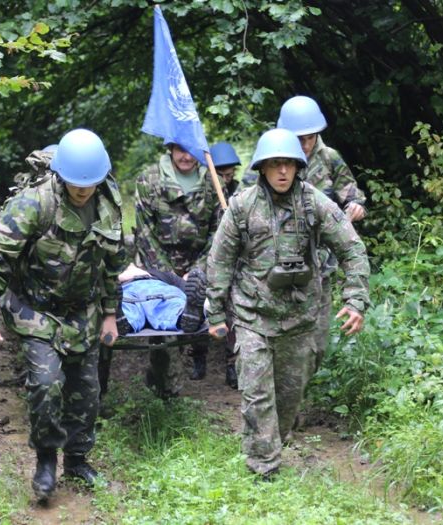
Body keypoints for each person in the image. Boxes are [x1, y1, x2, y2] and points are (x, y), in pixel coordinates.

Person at [0, 129, 125, 500]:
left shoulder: (107, 203)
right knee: (46, 384)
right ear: (61, 174)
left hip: (83, 311)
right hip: (35, 310)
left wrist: (110, 313)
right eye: (75, 183)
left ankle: (77, 460)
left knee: (86, 391)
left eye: (89, 183)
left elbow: (111, 263)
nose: (82, 190)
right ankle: (45, 459)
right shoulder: (33, 203)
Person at [206, 128, 370, 479]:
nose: (282, 171)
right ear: (262, 167)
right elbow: (220, 261)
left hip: (300, 318)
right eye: (275, 163)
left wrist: (356, 299)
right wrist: (216, 312)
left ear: (298, 167)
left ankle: (272, 444)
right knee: (257, 394)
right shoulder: (242, 206)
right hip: (252, 316)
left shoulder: (314, 203)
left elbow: (352, 249)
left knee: (288, 399)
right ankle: (263, 468)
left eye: (289, 164)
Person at [277, 95, 367, 370]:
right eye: (298, 139)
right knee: (280, 337)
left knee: (316, 344)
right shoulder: (273, 157)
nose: (305, 145)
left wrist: (355, 207)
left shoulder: (329, 158)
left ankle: (301, 385)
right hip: (277, 263)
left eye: (309, 138)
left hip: (319, 264)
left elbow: (352, 194)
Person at [134, 141, 219, 395]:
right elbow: (144, 232)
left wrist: (197, 270)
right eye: (180, 149)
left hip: (200, 266)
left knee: (196, 320)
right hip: (160, 266)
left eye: (191, 150)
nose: (186, 156)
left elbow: (219, 233)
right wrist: (168, 275)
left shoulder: (213, 181)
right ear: (170, 148)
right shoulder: (149, 179)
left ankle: (198, 363)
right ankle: (166, 389)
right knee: (164, 329)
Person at [209, 141, 242, 389]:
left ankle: (232, 364)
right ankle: (197, 356)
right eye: (221, 174)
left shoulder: (240, 193)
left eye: (229, 175)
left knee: (233, 315)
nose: (226, 179)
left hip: (236, 263)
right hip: (211, 261)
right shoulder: (203, 195)